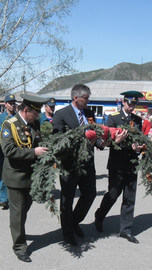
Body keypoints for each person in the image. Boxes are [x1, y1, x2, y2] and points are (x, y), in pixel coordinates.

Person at [0, 93, 48, 263]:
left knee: (24, 208)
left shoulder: (33, 124)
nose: (38, 116)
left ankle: (16, 228)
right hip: (16, 177)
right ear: (26, 110)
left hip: (30, 176)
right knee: (18, 212)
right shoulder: (9, 124)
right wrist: (33, 152)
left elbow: (37, 142)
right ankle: (20, 247)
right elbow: (9, 151)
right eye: (36, 112)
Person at [52, 84, 101, 246]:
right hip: (69, 164)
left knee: (90, 194)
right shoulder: (61, 115)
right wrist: (80, 139)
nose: (88, 101)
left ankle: (74, 221)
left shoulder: (89, 113)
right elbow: (58, 141)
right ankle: (67, 232)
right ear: (76, 98)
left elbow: (96, 133)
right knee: (67, 199)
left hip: (88, 163)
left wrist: (100, 142)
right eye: (86, 98)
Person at [94, 91, 145, 244]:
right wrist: (117, 141)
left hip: (132, 163)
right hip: (117, 163)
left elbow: (139, 138)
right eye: (130, 103)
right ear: (124, 102)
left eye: (134, 104)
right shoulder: (114, 118)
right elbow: (108, 140)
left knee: (130, 198)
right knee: (113, 194)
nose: (131, 107)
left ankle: (126, 230)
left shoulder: (137, 120)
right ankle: (99, 216)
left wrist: (138, 148)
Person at [0, 94, 17, 210]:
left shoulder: (18, 118)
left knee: (14, 175)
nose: (12, 105)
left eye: (13, 103)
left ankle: (13, 199)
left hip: (16, 150)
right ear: (5, 104)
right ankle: (3, 199)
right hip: (2, 150)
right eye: (10, 103)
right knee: (2, 174)